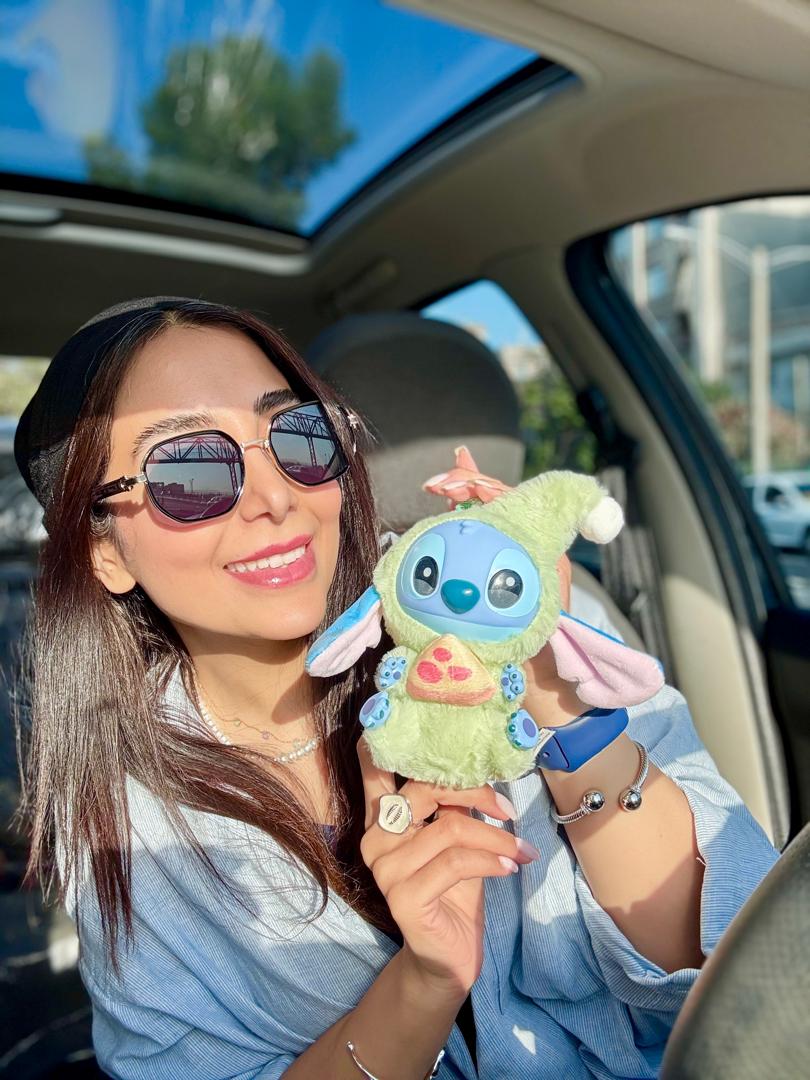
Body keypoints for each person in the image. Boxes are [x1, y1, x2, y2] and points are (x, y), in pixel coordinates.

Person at [13, 297, 777, 1080]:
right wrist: (423, 985)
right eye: (190, 470)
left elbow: (746, 963)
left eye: (298, 434)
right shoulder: (126, 822)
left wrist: (559, 702)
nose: (276, 496)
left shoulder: (509, 601)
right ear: (105, 551)